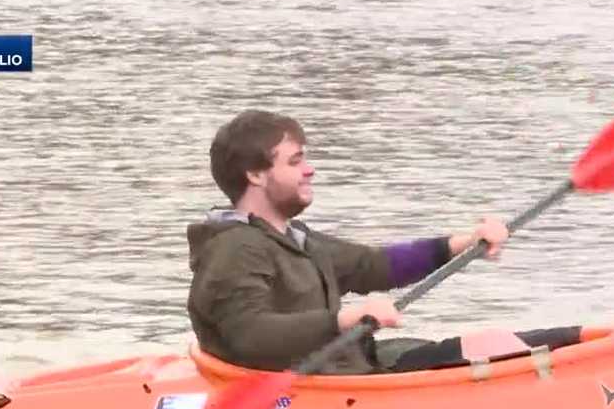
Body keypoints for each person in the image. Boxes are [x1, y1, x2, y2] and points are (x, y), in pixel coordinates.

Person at [186, 109, 510, 375]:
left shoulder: (296, 237)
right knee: (498, 349)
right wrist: (346, 319)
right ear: (255, 175)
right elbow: (250, 335)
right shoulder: (233, 250)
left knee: (495, 342)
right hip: (315, 385)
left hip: (354, 363)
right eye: (295, 161)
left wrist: (464, 242)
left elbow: (374, 267)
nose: (310, 170)